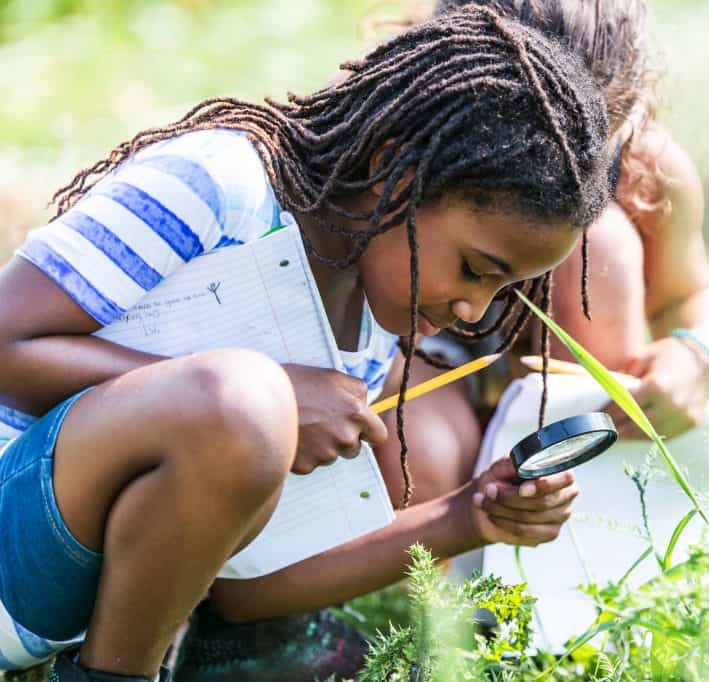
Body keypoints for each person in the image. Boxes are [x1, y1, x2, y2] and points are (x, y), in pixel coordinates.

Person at [0, 7, 614, 681]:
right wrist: (269, 396)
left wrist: (469, 516)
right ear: (395, 170)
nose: (474, 309)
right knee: (243, 400)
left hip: (51, 610)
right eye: (474, 268)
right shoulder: (221, 185)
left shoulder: (371, 328)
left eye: (503, 291)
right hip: (16, 528)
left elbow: (243, 589)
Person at [374, 0, 709, 507]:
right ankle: (442, 560)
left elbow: (691, 294)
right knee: (422, 457)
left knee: (601, 248)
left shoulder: (644, 167)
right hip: (424, 351)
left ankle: (588, 519)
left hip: (563, 371)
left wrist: (697, 357)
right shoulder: (399, 125)